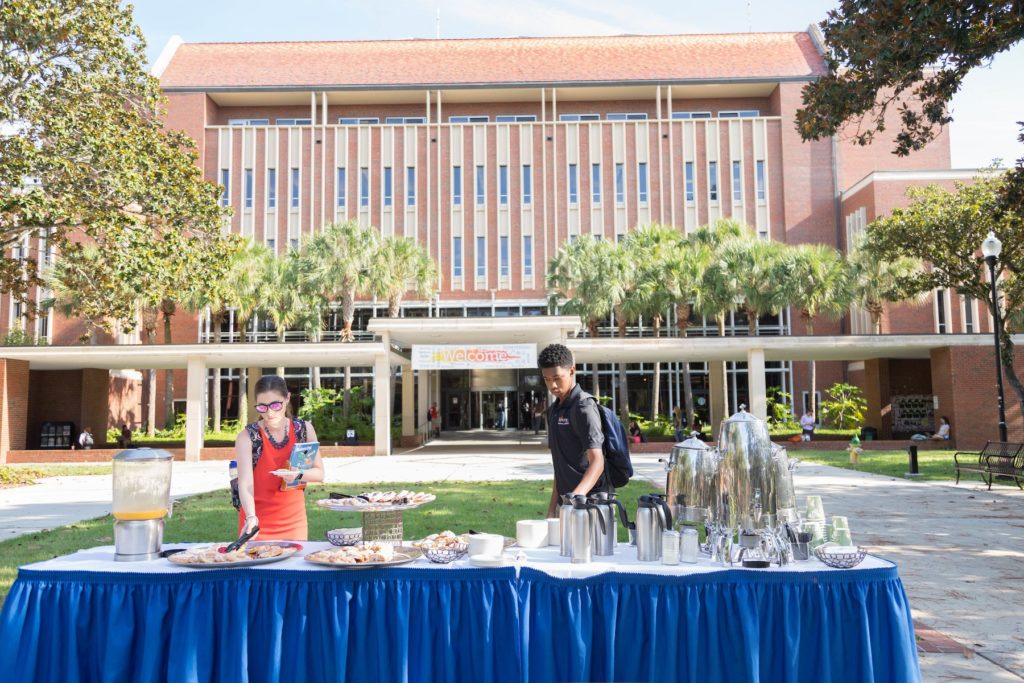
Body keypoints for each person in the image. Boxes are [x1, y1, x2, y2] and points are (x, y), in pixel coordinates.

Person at [235, 375, 323, 541]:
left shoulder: (303, 430)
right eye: (262, 407)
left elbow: (319, 473)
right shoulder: (247, 437)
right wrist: (251, 518)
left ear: (287, 398)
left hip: (294, 523)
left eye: (276, 405)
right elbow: (245, 483)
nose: (269, 413)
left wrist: (298, 474)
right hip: (256, 524)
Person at [539, 343, 610, 518]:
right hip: (568, 503)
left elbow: (597, 462)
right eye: (547, 379)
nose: (553, 385)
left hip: (590, 504)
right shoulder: (555, 410)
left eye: (557, 377)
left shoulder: (583, 406)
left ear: (572, 370)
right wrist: (552, 508)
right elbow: (561, 466)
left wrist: (575, 499)